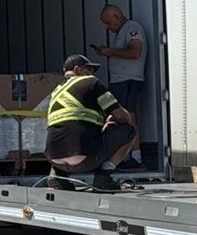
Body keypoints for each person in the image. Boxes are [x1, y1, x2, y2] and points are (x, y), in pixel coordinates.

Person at [43, 53, 137, 191]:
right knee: (129, 131)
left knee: (63, 135)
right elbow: (122, 117)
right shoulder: (91, 83)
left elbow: (70, 124)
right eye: (89, 69)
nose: (93, 74)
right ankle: (103, 177)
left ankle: (57, 176)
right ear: (77, 69)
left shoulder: (55, 93)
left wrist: (102, 126)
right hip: (85, 160)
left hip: (54, 159)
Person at [89, 4, 145, 169]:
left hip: (128, 80)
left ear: (116, 17)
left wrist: (109, 52)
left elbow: (135, 52)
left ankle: (134, 157)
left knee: (128, 117)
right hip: (122, 80)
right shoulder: (122, 32)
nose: (108, 27)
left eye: (108, 23)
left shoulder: (132, 28)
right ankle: (129, 156)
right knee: (126, 117)